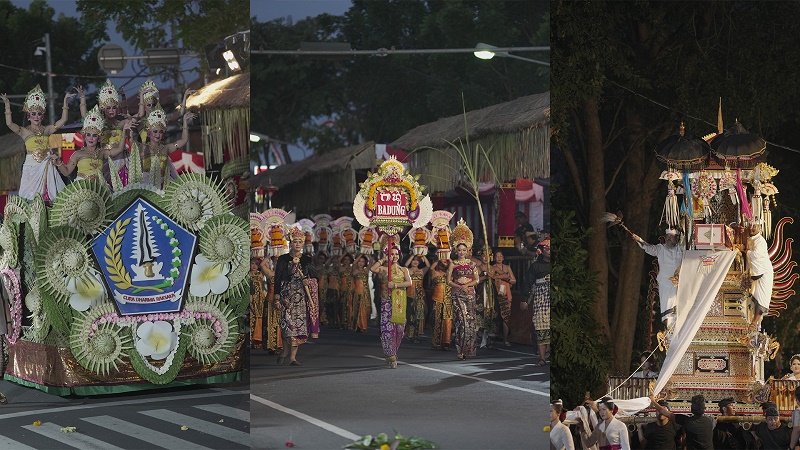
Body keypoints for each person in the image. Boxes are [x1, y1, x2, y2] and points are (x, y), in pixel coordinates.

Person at [2, 85, 77, 201]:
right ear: (28, 116)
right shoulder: (24, 131)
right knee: (29, 197)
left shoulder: (47, 130)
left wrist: (65, 101)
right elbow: (10, 124)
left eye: (39, 114)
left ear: (43, 116)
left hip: (47, 166)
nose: (36, 116)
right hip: (31, 168)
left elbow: (63, 120)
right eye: (33, 114)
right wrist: (7, 105)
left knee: (50, 197)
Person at [274, 227, 319, 366]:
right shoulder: (283, 259)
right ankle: (285, 352)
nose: (298, 244)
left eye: (300, 241)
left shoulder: (306, 260)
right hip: (286, 297)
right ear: (290, 243)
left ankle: (293, 357)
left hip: (301, 300)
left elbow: (315, 276)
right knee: (287, 326)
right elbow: (278, 278)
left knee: (298, 328)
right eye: (295, 241)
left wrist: (309, 281)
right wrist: (276, 297)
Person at [52, 106, 130, 183]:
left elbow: (120, 149)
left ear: (99, 138)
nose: (91, 138)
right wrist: (58, 162)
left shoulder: (102, 153)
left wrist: (124, 132)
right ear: (84, 137)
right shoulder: (78, 154)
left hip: (100, 189)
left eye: (94, 135)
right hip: (83, 189)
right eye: (88, 135)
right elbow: (66, 172)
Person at [370, 243, 412, 369]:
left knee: (399, 330)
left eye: (395, 254)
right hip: (387, 301)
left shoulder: (404, 269)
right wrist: (383, 259)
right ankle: (391, 355)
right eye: (391, 254)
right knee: (388, 329)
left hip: (399, 301)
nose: (394, 256)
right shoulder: (384, 269)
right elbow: (372, 269)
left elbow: (408, 282)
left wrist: (394, 285)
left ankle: (394, 351)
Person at [632, 228, 683, 329]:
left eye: (671, 237)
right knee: (667, 307)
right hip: (666, 283)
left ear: (677, 238)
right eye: (667, 236)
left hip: (681, 282)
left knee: (680, 306)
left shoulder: (681, 249)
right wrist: (640, 240)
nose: (668, 238)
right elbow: (649, 248)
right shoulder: (661, 249)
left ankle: (679, 328)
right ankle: (669, 329)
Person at [140, 105, 197, 189]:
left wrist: (185, 121)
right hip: (145, 188)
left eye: (161, 132)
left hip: (164, 187)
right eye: (155, 131)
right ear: (149, 133)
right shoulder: (143, 148)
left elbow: (184, 140)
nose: (158, 135)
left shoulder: (166, 148)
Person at [447, 219, 480, 361]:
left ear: (467, 251)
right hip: (457, 295)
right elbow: (449, 281)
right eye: (459, 250)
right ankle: (460, 349)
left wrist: (467, 285)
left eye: (464, 250)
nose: (461, 252)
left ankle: (469, 349)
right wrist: (459, 286)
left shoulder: (472, 264)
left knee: (471, 321)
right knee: (461, 321)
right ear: (456, 250)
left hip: (470, 294)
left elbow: (477, 280)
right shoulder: (452, 264)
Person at [522, 237, 550, 366]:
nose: (549, 251)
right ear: (541, 250)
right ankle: (542, 358)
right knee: (541, 328)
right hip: (541, 300)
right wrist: (524, 300)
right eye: (546, 248)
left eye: (550, 248)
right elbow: (527, 283)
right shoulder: (535, 266)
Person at [746, 222, 773, 330]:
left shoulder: (761, 241)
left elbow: (756, 255)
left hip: (764, 272)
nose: (752, 228)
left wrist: (745, 251)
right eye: (751, 226)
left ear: (759, 228)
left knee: (761, 300)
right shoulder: (751, 239)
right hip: (756, 272)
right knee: (754, 297)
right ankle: (753, 323)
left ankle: (754, 323)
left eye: (755, 226)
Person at [490, 250, 516, 347]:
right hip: (495, 293)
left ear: (503, 258)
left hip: (506, 293)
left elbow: (513, 281)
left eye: (501, 256)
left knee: (506, 317)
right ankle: (491, 339)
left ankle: (505, 339)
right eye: (497, 256)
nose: (499, 258)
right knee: (494, 316)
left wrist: (505, 279)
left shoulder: (507, 267)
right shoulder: (492, 268)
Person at [429, 255, 453, 351]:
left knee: (447, 321)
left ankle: (446, 342)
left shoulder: (450, 274)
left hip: (448, 300)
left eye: (446, 261)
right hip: (437, 299)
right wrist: (440, 257)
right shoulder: (435, 272)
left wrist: (447, 256)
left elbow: (453, 264)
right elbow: (431, 268)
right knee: (437, 320)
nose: (444, 262)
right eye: (442, 262)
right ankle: (436, 342)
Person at [404, 255, 429, 343]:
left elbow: (428, 266)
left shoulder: (422, 271)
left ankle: (416, 335)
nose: (415, 262)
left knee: (419, 315)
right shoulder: (408, 270)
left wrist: (423, 255)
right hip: (410, 295)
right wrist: (412, 255)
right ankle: (409, 334)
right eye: (413, 260)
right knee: (410, 315)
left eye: (417, 261)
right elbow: (406, 265)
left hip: (420, 296)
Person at [260, 255, 282, 354]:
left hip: (281, 302)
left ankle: (279, 345)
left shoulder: (285, 275)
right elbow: (261, 264)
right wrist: (269, 254)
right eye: (276, 262)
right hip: (270, 301)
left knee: (280, 324)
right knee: (270, 324)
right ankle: (271, 346)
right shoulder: (270, 274)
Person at [352, 254, 371, 333]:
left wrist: (367, 253)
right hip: (357, 292)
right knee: (357, 308)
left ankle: (364, 325)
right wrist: (360, 255)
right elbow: (353, 263)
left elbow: (371, 262)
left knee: (366, 309)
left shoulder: (366, 270)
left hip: (365, 292)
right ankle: (358, 326)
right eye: (359, 261)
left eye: (363, 261)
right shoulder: (355, 270)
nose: (361, 263)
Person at [250, 258, 265, 348]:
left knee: (259, 319)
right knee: (252, 319)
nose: (254, 266)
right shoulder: (247, 275)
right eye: (252, 264)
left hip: (260, 299)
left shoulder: (260, 274)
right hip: (251, 298)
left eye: (256, 264)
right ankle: (251, 340)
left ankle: (258, 340)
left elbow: (264, 265)